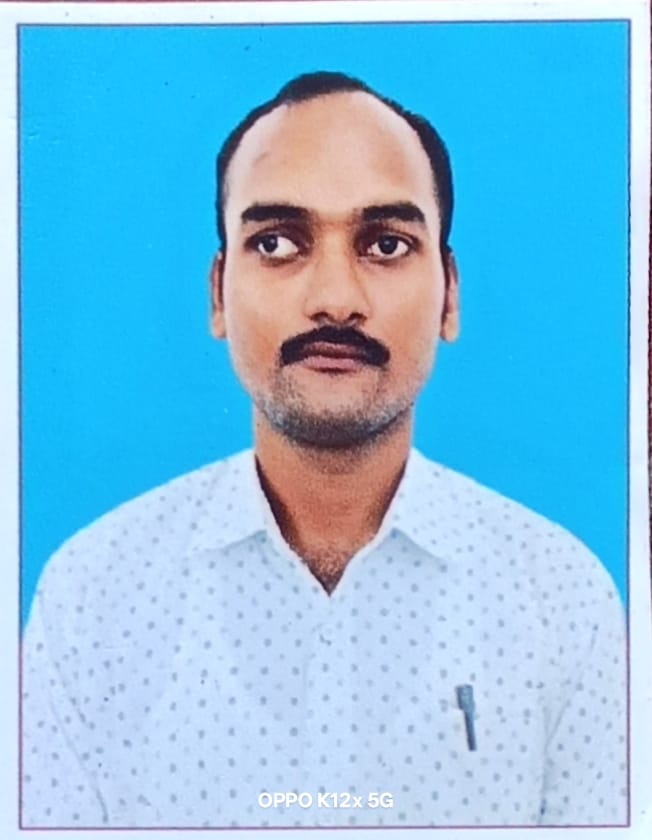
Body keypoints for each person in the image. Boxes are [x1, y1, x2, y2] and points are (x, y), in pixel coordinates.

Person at [21, 71, 626, 829]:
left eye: (386, 244)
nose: (335, 298)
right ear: (218, 293)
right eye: (277, 243)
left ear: (449, 295)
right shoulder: (93, 598)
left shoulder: (561, 599)